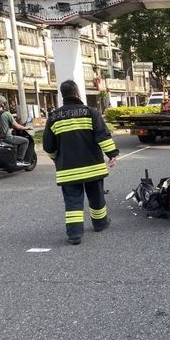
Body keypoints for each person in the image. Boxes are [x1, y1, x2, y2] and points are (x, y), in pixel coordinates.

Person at [43, 80, 119, 245]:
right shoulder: (91, 112)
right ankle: (100, 224)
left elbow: (48, 147)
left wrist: (55, 158)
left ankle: (74, 234)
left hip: (68, 170)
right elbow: (102, 136)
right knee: (96, 197)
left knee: (72, 201)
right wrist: (112, 154)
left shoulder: (53, 117)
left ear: (62, 96)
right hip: (93, 167)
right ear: (77, 93)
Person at [0, 95, 31, 166]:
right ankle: (20, 160)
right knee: (25, 141)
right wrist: (27, 128)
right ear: (2, 104)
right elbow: (18, 127)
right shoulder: (6, 114)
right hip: (6, 138)